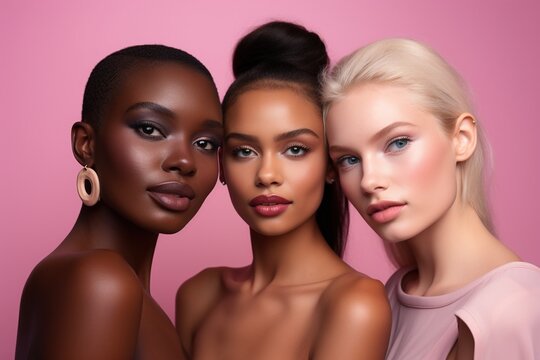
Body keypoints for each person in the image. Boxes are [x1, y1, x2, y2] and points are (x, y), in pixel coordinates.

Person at [175, 21, 391, 360]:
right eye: (244, 151)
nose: (267, 175)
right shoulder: (197, 295)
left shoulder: (354, 304)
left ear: (331, 165)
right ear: (222, 166)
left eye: (295, 149)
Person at [323, 38, 540, 359]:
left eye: (397, 143)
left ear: (462, 139)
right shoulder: (392, 296)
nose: (369, 180)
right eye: (349, 160)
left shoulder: (509, 311)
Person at [15, 44, 222, 359]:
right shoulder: (100, 281)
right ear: (86, 144)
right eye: (150, 129)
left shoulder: (94, 278)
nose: (184, 161)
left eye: (205, 143)